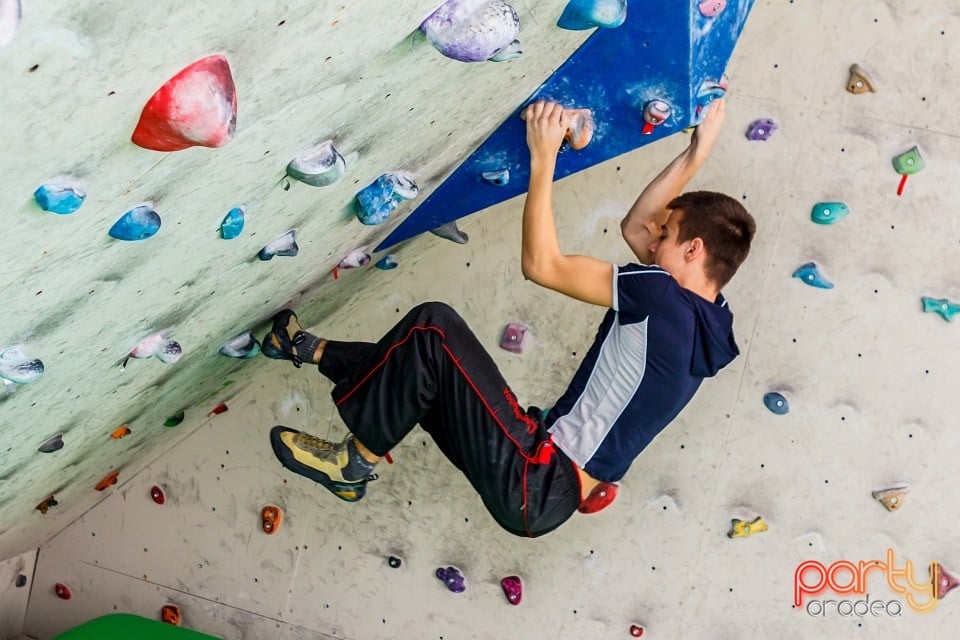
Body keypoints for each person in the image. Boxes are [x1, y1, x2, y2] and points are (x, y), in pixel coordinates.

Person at [261, 98, 755, 538]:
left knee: (434, 329)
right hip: (544, 492)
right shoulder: (711, 322)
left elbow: (543, 266)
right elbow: (636, 226)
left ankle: (353, 464)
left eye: (665, 236)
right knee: (429, 376)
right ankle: (305, 347)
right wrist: (694, 157)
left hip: (541, 473)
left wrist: (544, 156)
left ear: (693, 249)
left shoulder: (663, 300)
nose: (652, 239)